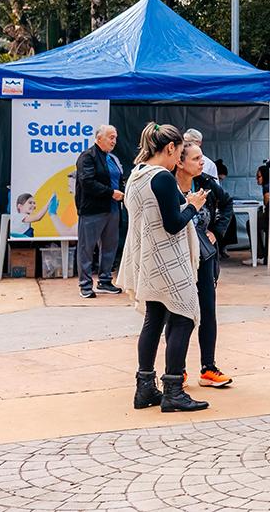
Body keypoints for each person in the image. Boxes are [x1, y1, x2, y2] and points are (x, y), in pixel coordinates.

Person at [115, 123, 209, 413]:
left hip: (147, 259)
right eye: (178, 153)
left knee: (153, 320)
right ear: (170, 148)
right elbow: (172, 224)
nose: (177, 160)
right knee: (182, 317)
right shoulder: (163, 178)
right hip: (168, 262)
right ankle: (173, 391)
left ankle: (144, 388)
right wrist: (192, 205)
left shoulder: (135, 175)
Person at [176, 141, 235, 390]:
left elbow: (228, 204)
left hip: (205, 257)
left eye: (202, 158)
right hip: (178, 259)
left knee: (207, 311)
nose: (202, 162)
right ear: (180, 162)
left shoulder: (207, 183)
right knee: (179, 314)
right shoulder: (168, 184)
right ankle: (176, 370)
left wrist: (216, 231)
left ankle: (208, 368)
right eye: (196, 158)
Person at [74, 124, 125, 299]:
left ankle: (104, 281)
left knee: (110, 247)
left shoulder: (112, 159)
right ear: (98, 138)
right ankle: (85, 285)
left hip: (112, 210)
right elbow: (87, 182)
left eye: (115, 137)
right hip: (92, 211)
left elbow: (118, 179)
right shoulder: (87, 157)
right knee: (86, 249)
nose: (114, 141)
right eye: (111, 137)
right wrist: (111, 193)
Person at [246, 165, 270, 264]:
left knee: (251, 223)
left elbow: (267, 205)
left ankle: (259, 255)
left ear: (265, 176)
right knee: (256, 221)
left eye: (259, 176)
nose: (256, 179)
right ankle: (260, 253)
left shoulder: (267, 187)